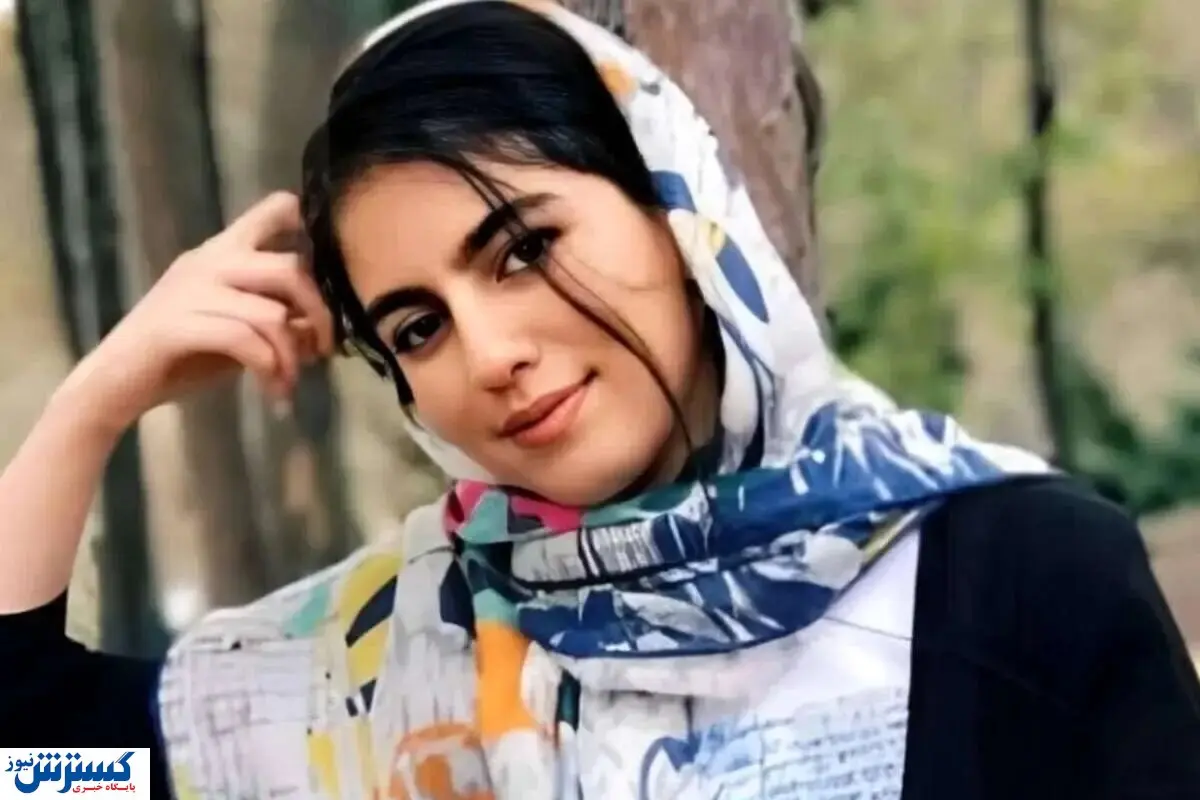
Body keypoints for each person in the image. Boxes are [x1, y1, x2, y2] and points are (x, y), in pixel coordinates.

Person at [2, 0, 1199, 797]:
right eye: (417, 326)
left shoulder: (1010, 574)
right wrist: (95, 400)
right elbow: (31, 764)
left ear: (677, 213)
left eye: (523, 248)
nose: (489, 353)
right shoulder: (379, 661)